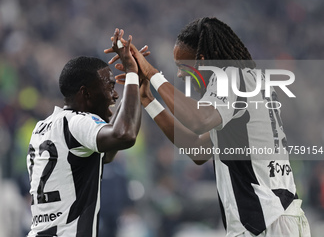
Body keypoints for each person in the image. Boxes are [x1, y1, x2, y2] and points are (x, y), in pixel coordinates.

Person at [107, 18, 311, 237]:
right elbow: (198, 150)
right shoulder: (248, 83)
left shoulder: (232, 77)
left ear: (202, 62)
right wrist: (148, 99)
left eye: (181, 66)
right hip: (278, 217)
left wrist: (151, 73)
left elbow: (199, 120)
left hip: (265, 221)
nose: (180, 75)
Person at [26, 29, 143, 237]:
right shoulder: (78, 122)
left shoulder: (43, 127)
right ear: (86, 93)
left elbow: (105, 154)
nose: (114, 94)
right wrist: (133, 75)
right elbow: (125, 135)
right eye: (109, 87)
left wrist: (131, 92)